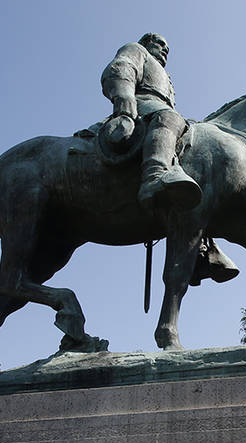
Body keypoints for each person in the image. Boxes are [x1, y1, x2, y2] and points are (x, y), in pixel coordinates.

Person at [101, 33, 238, 283]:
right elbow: (120, 69)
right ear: (146, 43)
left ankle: (203, 251)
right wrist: (124, 100)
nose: (164, 50)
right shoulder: (136, 51)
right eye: (160, 44)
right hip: (142, 107)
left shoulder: (168, 78)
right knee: (172, 118)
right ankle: (154, 176)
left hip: (161, 114)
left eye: (167, 48)